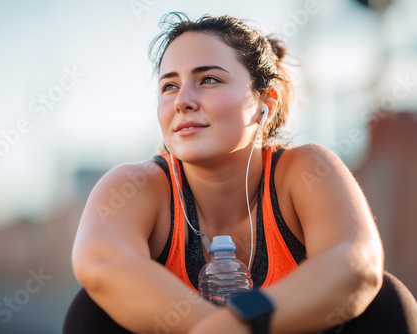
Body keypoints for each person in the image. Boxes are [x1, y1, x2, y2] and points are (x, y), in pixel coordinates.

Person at [63, 12, 417, 334]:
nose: (182, 100)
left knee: (387, 300)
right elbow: (100, 261)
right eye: (169, 85)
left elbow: (357, 266)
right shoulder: (137, 185)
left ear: (266, 102)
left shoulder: (305, 169)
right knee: (91, 310)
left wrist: (247, 318)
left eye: (209, 80)